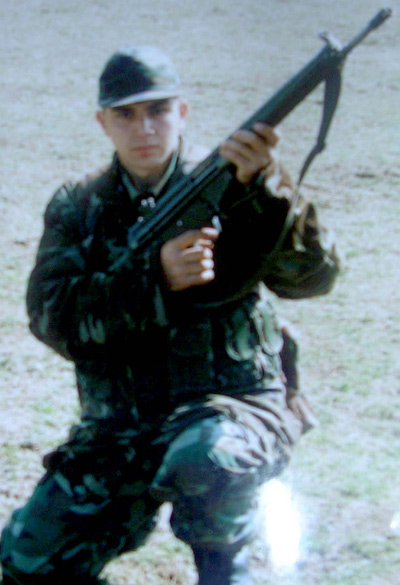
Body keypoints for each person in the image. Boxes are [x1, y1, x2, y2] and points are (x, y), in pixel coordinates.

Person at [0, 46, 339, 585]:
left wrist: (269, 192)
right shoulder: (77, 206)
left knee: (207, 458)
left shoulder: (235, 183)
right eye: (126, 114)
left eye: (158, 110)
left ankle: (228, 565)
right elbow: (53, 318)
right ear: (103, 123)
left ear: (182, 112)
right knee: (25, 563)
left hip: (231, 409)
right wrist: (153, 280)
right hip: (119, 428)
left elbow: (313, 279)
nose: (144, 129)